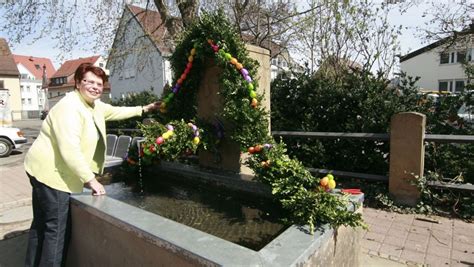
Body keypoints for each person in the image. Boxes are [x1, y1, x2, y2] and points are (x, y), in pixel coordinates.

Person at [24, 63, 160, 266]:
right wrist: (91, 180)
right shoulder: (69, 108)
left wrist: (143, 109)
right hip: (51, 175)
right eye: (90, 82)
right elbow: (69, 150)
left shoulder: (93, 105)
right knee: (57, 231)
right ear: (78, 83)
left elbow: (115, 111)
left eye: (99, 83)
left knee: (42, 226)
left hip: (42, 170)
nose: (95, 87)